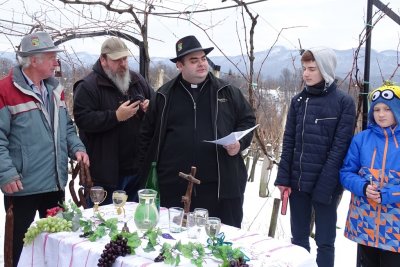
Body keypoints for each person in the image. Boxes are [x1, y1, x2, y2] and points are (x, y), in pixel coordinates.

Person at [138, 35, 256, 228]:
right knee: (173, 242)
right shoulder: (163, 96)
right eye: (194, 61)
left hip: (218, 186)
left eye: (203, 59)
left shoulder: (227, 92)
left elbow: (247, 120)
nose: (202, 64)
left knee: (218, 245)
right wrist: (148, 175)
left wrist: (239, 144)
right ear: (179, 65)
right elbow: (146, 136)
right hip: (172, 187)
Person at [0, 31, 89, 267]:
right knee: (19, 250)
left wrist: (77, 148)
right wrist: (6, 173)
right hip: (22, 187)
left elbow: (67, 127)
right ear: (33, 60)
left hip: (54, 184)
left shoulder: (55, 89)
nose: (55, 62)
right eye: (51, 57)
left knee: (57, 246)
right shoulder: (4, 91)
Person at [274, 47, 356, 267]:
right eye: (304, 69)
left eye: (312, 69)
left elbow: (340, 148)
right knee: (298, 241)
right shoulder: (298, 101)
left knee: (325, 241)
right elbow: (288, 141)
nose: (306, 74)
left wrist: (325, 187)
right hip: (298, 183)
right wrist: (283, 178)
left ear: (326, 70)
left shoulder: (343, 103)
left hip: (326, 185)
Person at [73, 37, 154, 205]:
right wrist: (115, 117)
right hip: (104, 176)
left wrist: (149, 107)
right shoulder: (88, 86)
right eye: (117, 60)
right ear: (103, 60)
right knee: (103, 226)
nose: (123, 64)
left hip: (136, 170)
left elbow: (156, 105)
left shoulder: (137, 80)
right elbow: (82, 119)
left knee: (132, 225)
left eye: (125, 59)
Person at [340, 82, 400, 267]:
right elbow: (346, 173)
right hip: (365, 220)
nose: (381, 114)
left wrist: (389, 194)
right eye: (377, 109)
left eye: (387, 109)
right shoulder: (361, 139)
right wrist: (363, 187)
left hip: (395, 225)